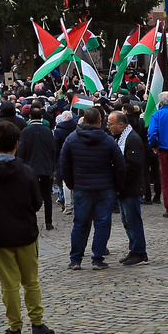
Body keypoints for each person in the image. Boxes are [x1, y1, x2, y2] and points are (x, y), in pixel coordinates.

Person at [0, 119, 55, 334]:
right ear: (17, 144)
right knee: (31, 281)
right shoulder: (26, 170)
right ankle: (37, 324)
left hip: (0, 236)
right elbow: (37, 202)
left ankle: (15, 328)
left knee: (9, 285)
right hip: (25, 233)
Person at [57, 108, 123, 271]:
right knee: (102, 223)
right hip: (104, 187)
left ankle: (75, 259)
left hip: (82, 187)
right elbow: (120, 165)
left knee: (80, 224)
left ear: (83, 121)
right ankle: (98, 258)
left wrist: (71, 184)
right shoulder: (108, 140)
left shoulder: (71, 139)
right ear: (100, 121)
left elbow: (63, 165)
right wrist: (118, 187)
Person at [107, 110, 149, 265]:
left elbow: (133, 166)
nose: (109, 126)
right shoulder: (121, 138)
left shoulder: (132, 139)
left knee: (133, 220)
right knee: (126, 220)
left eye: (111, 124)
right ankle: (134, 249)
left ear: (121, 124)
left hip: (131, 187)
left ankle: (139, 251)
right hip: (125, 188)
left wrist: (119, 183)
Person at [15, 107, 58, 232]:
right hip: (45, 167)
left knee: (29, 196)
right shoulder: (47, 131)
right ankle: (48, 222)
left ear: (30, 117)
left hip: (29, 168)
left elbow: (21, 151)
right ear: (42, 118)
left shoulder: (25, 132)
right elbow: (52, 150)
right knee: (47, 196)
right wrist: (51, 168)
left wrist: (20, 166)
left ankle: (31, 220)